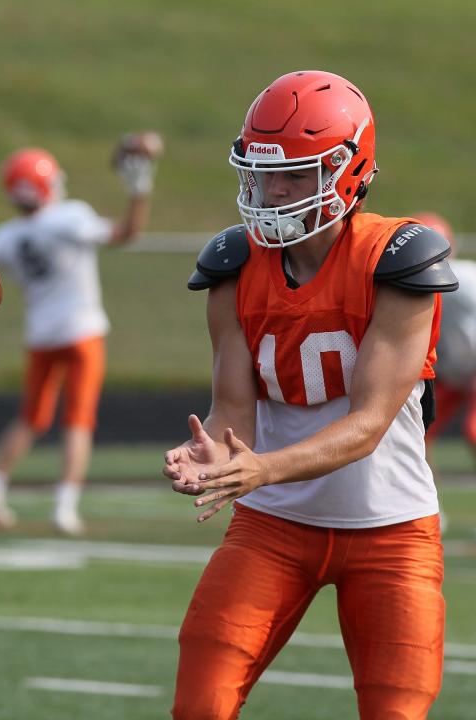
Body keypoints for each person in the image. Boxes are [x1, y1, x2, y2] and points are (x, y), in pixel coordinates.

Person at [163, 70, 455, 718]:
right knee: (200, 703)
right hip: (275, 527)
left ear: (348, 170)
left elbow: (367, 424)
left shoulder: (397, 258)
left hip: (391, 528)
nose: (273, 190)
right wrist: (213, 450)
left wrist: (262, 468)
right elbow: (234, 409)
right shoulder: (234, 264)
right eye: (263, 174)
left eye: (295, 173)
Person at [0, 136, 159, 535]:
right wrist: (139, 192)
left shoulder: (3, 238)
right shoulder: (69, 217)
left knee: (31, 418)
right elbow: (126, 233)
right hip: (80, 331)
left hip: (40, 333)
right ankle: (65, 504)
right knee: (78, 421)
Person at [420, 214, 476, 457]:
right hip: (452, 371)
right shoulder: (412, 284)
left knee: (473, 430)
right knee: (418, 429)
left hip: (471, 367)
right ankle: (422, 487)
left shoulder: (465, 278)